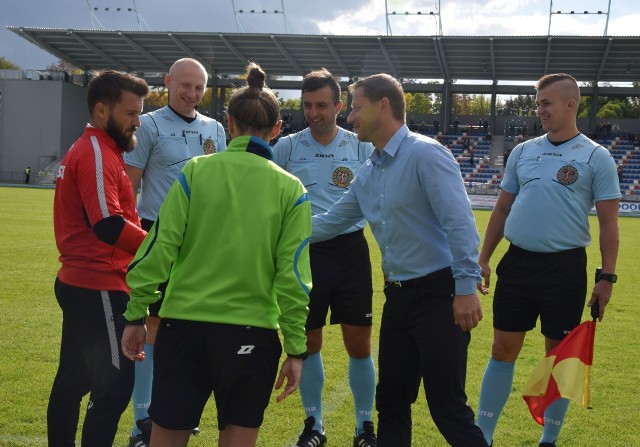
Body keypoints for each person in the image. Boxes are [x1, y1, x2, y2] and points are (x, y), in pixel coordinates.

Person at [121, 62, 312, 447]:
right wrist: (296, 348)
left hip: (183, 328)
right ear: (277, 130)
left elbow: (158, 248)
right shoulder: (291, 189)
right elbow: (292, 277)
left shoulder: (195, 171)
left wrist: (136, 313)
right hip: (253, 334)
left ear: (228, 123)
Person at [312, 73, 488, 447]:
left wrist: (465, 289)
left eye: (356, 108)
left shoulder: (425, 153)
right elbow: (328, 224)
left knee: (448, 408)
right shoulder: (369, 171)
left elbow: (460, 225)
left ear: (383, 106)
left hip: (440, 297)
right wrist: (273, 226)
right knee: (390, 401)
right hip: (398, 300)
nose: (351, 118)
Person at [476, 73, 620, 447]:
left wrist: (607, 277)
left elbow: (607, 222)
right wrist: (484, 257)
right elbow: (502, 208)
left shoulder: (595, 156)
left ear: (571, 105)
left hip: (564, 269)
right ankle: (484, 436)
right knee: (501, 349)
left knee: (558, 357)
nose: (539, 109)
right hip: (518, 264)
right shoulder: (523, 151)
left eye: (546, 103)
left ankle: (548, 440)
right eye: (538, 102)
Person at [123, 57, 227, 446]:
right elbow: (129, 188)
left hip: (201, 243)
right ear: (167, 82)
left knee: (186, 327)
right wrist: (137, 244)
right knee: (152, 329)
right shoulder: (148, 125)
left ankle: (174, 411)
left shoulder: (215, 128)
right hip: (158, 234)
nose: (192, 94)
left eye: (199, 87)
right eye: (184, 85)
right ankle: (141, 420)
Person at [272, 68, 376, 447]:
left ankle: (365, 426)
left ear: (338, 106)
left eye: (321, 105)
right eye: (307, 105)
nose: (313, 112)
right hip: (305, 255)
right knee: (309, 340)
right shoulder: (286, 147)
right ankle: (313, 424)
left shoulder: (361, 145)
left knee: (358, 344)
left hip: (350, 252)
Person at [48, 70, 149, 447]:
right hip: (97, 286)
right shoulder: (93, 151)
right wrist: (159, 250)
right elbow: (107, 224)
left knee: (74, 382)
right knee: (113, 386)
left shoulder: (101, 149)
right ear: (103, 111)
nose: (137, 121)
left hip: (85, 282)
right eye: (131, 112)